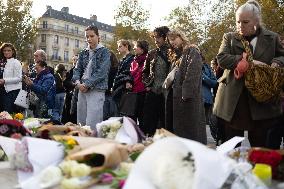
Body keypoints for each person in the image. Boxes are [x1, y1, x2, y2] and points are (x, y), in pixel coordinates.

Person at [213, 0, 284, 147]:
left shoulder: (272, 38)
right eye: (238, 21)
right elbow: (221, 58)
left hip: (262, 100)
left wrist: (277, 62)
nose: (240, 26)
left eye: (245, 22)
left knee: (262, 148)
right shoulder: (229, 37)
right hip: (233, 100)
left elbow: (282, 55)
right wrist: (245, 62)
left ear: (257, 21)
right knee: (230, 147)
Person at [167, 30, 206, 144]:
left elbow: (193, 73)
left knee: (191, 131)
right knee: (182, 131)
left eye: (174, 39)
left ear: (181, 37)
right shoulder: (178, 54)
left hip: (188, 99)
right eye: (170, 41)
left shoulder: (192, 51)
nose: (172, 42)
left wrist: (186, 93)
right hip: (178, 97)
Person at [72, 25, 111, 131]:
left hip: (96, 89)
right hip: (82, 89)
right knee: (81, 121)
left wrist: (87, 84)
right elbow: (77, 69)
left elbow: (101, 72)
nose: (89, 39)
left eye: (92, 36)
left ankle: (93, 144)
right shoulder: (83, 52)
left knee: (93, 123)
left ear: (98, 37)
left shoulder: (105, 52)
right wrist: (77, 82)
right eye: (87, 36)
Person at [142, 26, 171, 136]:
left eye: (158, 37)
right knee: (149, 122)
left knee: (165, 122)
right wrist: (147, 84)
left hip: (166, 93)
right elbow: (144, 72)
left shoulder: (172, 53)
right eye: (154, 37)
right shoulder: (152, 53)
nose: (156, 40)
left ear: (165, 37)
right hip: (152, 91)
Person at [0, 43, 22, 113]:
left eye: (9, 50)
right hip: (2, 91)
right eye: (4, 50)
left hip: (11, 92)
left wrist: (5, 81)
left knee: (8, 114)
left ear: (13, 51)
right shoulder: (1, 62)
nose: (6, 52)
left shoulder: (16, 62)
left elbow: (19, 78)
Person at [112, 39, 135, 107]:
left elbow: (130, 71)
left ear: (126, 46)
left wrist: (128, 81)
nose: (118, 49)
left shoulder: (131, 58)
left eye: (120, 46)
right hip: (119, 85)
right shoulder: (123, 59)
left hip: (124, 87)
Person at [201, 55, 217, 138]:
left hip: (207, 100)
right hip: (196, 100)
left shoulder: (208, 69)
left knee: (211, 122)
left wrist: (203, 77)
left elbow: (214, 83)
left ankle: (216, 139)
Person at [62, 55, 78, 124]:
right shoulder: (70, 71)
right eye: (74, 60)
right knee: (68, 114)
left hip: (77, 96)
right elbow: (65, 82)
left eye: (76, 60)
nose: (75, 61)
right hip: (69, 96)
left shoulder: (81, 70)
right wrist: (72, 84)